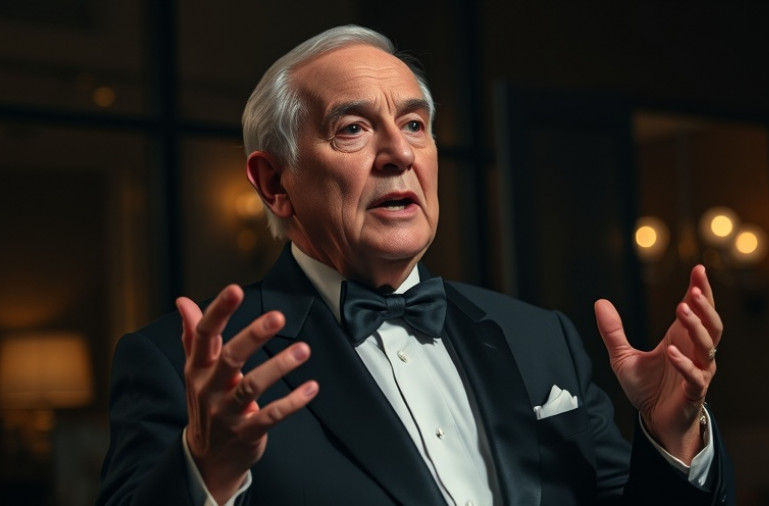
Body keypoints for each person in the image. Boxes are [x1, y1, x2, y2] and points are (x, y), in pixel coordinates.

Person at [97, 24, 733, 506]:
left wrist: (670, 437)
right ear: (275, 184)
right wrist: (206, 468)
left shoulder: (541, 339)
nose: (398, 152)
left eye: (414, 123)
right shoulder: (179, 369)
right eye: (353, 129)